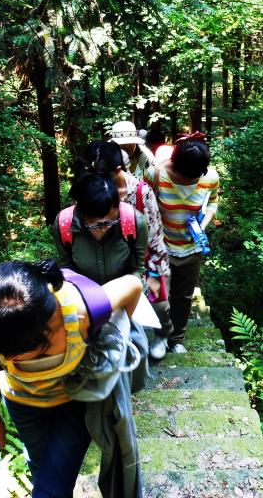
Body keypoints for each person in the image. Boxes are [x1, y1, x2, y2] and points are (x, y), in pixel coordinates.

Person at [0, 260, 142, 498]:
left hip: (74, 400)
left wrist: (113, 338)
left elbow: (133, 285)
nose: (59, 326)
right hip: (23, 404)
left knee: (52, 489)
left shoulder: (85, 310)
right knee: (40, 466)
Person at [72, 141, 172, 359]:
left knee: (159, 305)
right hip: (104, 259)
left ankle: (163, 335)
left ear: (117, 170)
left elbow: (155, 236)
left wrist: (154, 274)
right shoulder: (88, 191)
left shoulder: (141, 192)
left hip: (139, 262)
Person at [143, 133, 219, 355]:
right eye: (186, 177)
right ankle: (160, 336)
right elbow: (144, 206)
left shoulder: (210, 177)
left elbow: (213, 202)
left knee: (183, 297)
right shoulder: (155, 175)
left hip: (191, 248)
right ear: (175, 165)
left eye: (196, 177)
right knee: (159, 297)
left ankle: (176, 340)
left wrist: (203, 225)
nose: (190, 181)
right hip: (159, 248)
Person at [51, 170, 148, 286]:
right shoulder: (64, 224)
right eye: (96, 224)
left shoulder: (134, 221)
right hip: (84, 291)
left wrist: (120, 291)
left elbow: (137, 268)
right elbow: (67, 268)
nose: (104, 228)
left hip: (126, 290)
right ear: (81, 214)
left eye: (111, 221)